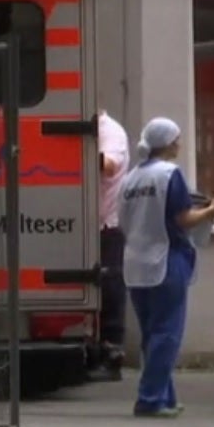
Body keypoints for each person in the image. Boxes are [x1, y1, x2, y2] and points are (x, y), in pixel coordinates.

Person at [119, 117, 214, 418]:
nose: (180, 144)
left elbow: (124, 222)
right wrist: (211, 211)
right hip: (166, 259)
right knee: (168, 332)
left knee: (153, 333)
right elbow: (182, 219)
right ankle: (150, 399)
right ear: (167, 143)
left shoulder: (131, 179)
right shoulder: (169, 174)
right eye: (177, 139)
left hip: (135, 262)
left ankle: (165, 396)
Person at [88, 109, 130, 382]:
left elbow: (110, 164)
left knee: (111, 286)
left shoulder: (109, 131)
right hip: (92, 224)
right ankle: (98, 350)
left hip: (108, 225)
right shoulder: (96, 131)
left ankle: (112, 353)